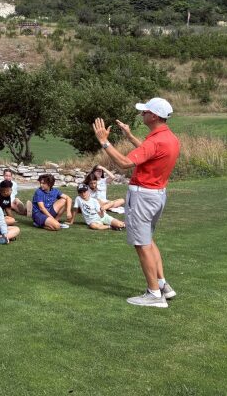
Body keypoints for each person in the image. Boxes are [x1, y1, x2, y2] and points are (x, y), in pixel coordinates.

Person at [93, 97, 180, 308]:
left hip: (143, 197)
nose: (142, 114)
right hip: (156, 195)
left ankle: (154, 294)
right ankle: (163, 286)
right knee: (148, 240)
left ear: (155, 116)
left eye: (145, 112)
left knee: (142, 244)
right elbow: (150, 153)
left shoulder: (156, 140)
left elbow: (124, 163)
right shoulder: (168, 138)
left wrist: (104, 141)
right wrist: (130, 136)